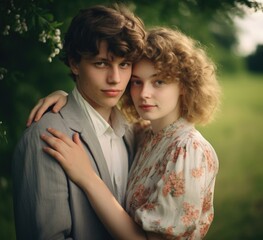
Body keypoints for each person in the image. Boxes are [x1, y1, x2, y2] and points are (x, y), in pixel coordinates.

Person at [29, 27, 221, 239]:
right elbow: (99, 111)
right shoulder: (145, 135)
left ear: (183, 85)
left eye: (159, 81)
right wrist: (68, 98)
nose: (144, 94)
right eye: (137, 82)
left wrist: (87, 177)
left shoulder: (188, 150)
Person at [12, 4, 145, 240]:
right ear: (75, 63)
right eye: (101, 63)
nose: (115, 79)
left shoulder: (133, 130)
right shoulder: (47, 135)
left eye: (124, 65)